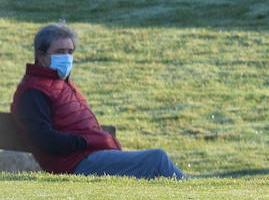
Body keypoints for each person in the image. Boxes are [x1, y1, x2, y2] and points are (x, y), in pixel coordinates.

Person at [10, 23, 184, 179]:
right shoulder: (33, 92)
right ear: (41, 56)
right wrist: (88, 140)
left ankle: (189, 192)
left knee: (153, 165)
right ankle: (195, 191)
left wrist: (94, 140)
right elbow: (44, 139)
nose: (67, 57)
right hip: (74, 164)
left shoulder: (59, 83)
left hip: (88, 157)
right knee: (155, 159)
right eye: (60, 52)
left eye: (70, 52)